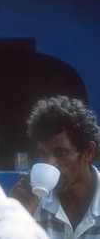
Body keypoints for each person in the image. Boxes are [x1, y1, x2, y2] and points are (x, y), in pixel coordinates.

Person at [10, 95, 100, 238]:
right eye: (43, 154)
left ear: (88, 152)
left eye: (61, 152)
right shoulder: (33, 203)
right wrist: (19, 217)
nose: (49, 162)